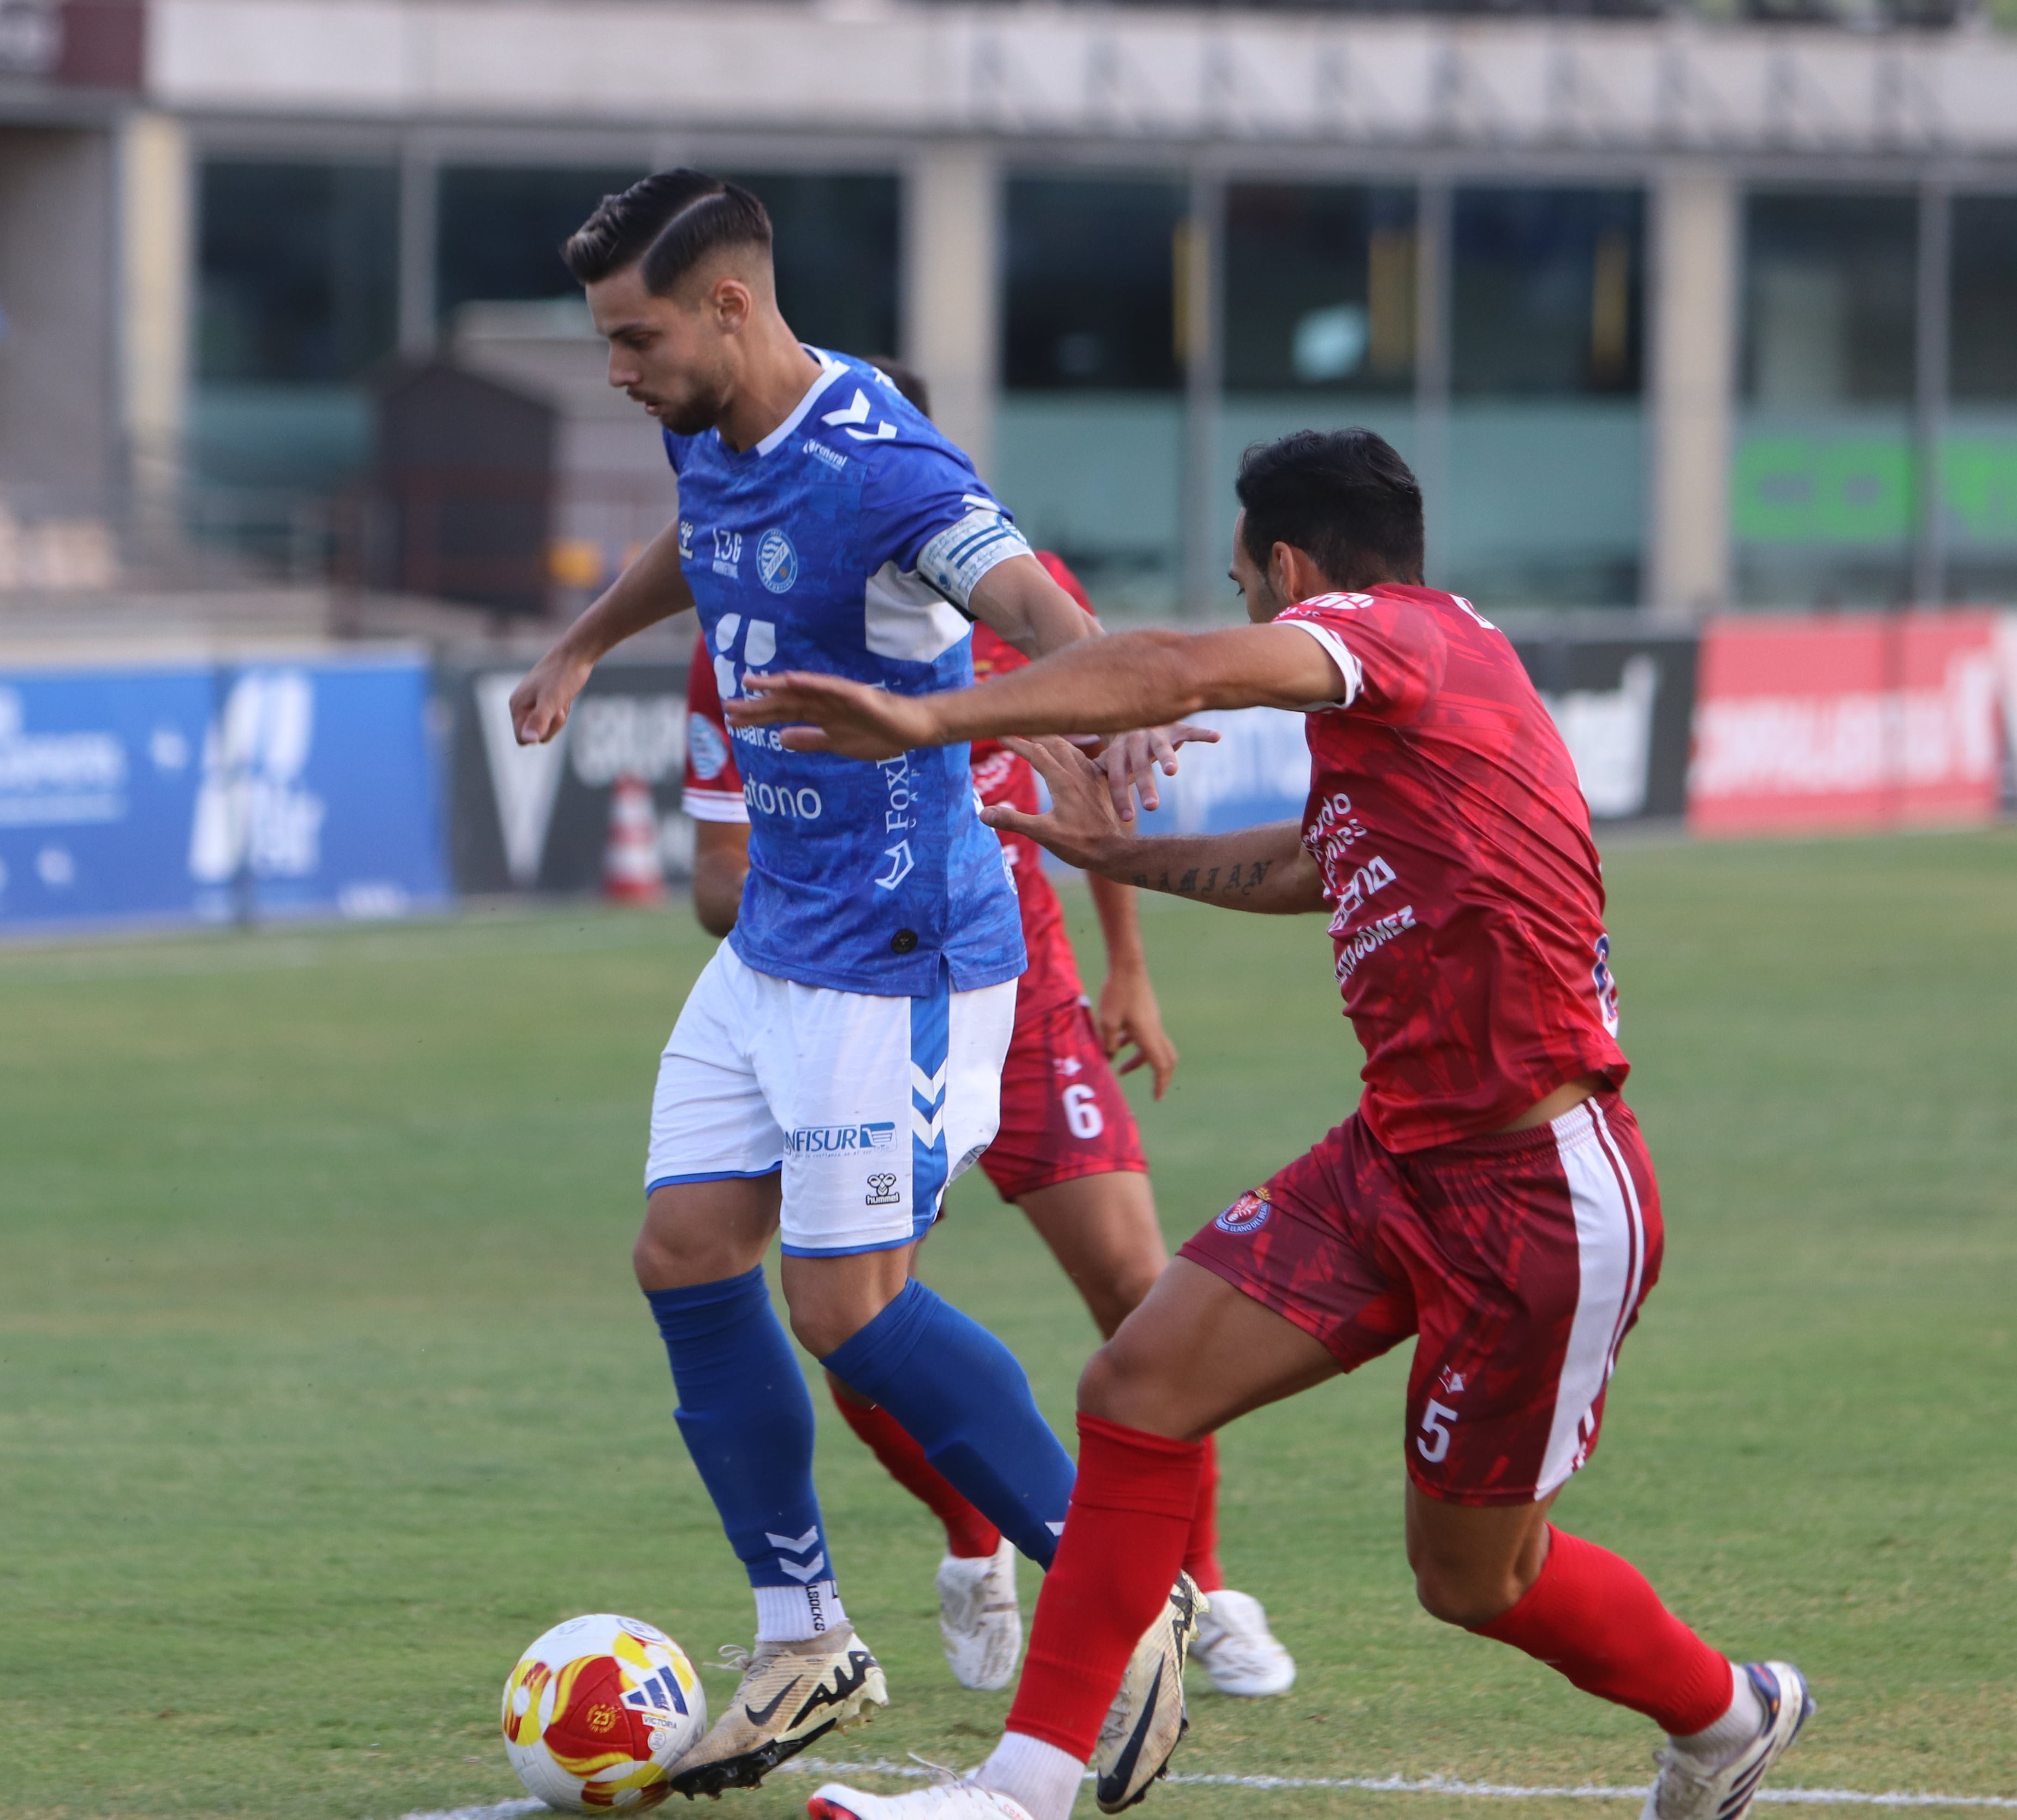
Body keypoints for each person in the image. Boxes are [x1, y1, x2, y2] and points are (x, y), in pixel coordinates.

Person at [729, 429, 1811, 1820]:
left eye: (1244, 580)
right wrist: (1123, 857)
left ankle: (1729, 1712)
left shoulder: (1391, 634)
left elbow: (1176, 670)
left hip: (1538, 1190)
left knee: (1473, 1579)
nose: (1242, 603)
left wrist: (929, 719)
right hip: (1394, 1160)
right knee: (1136, 1385)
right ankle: (1021, 1788)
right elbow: (1318, 860)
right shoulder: (1419, 681)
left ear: (1290, 570)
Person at [508, 170, 1189, 1799]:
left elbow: (1029, 599)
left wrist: (1104, 703)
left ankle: (1127, 1593)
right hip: (774, 946)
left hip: (899, 957)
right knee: (686, 1254)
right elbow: (703, 532)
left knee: (846, 1310)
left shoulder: (889, 469)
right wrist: (587, 637)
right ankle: (803, 1633)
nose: (618, 370)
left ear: (730, 306)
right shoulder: (711, 421)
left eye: (634, 338)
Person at [684, 449, 1295, 1699]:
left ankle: (1203, 1588)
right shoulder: (753, 630)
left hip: (1030, 1006)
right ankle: (975, 1538)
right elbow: (714, 881)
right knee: (855, 1317)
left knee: (1140, 1290)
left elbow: (1103, 784)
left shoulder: (1025, 590)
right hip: (868, 1002)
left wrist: (1129, 969)